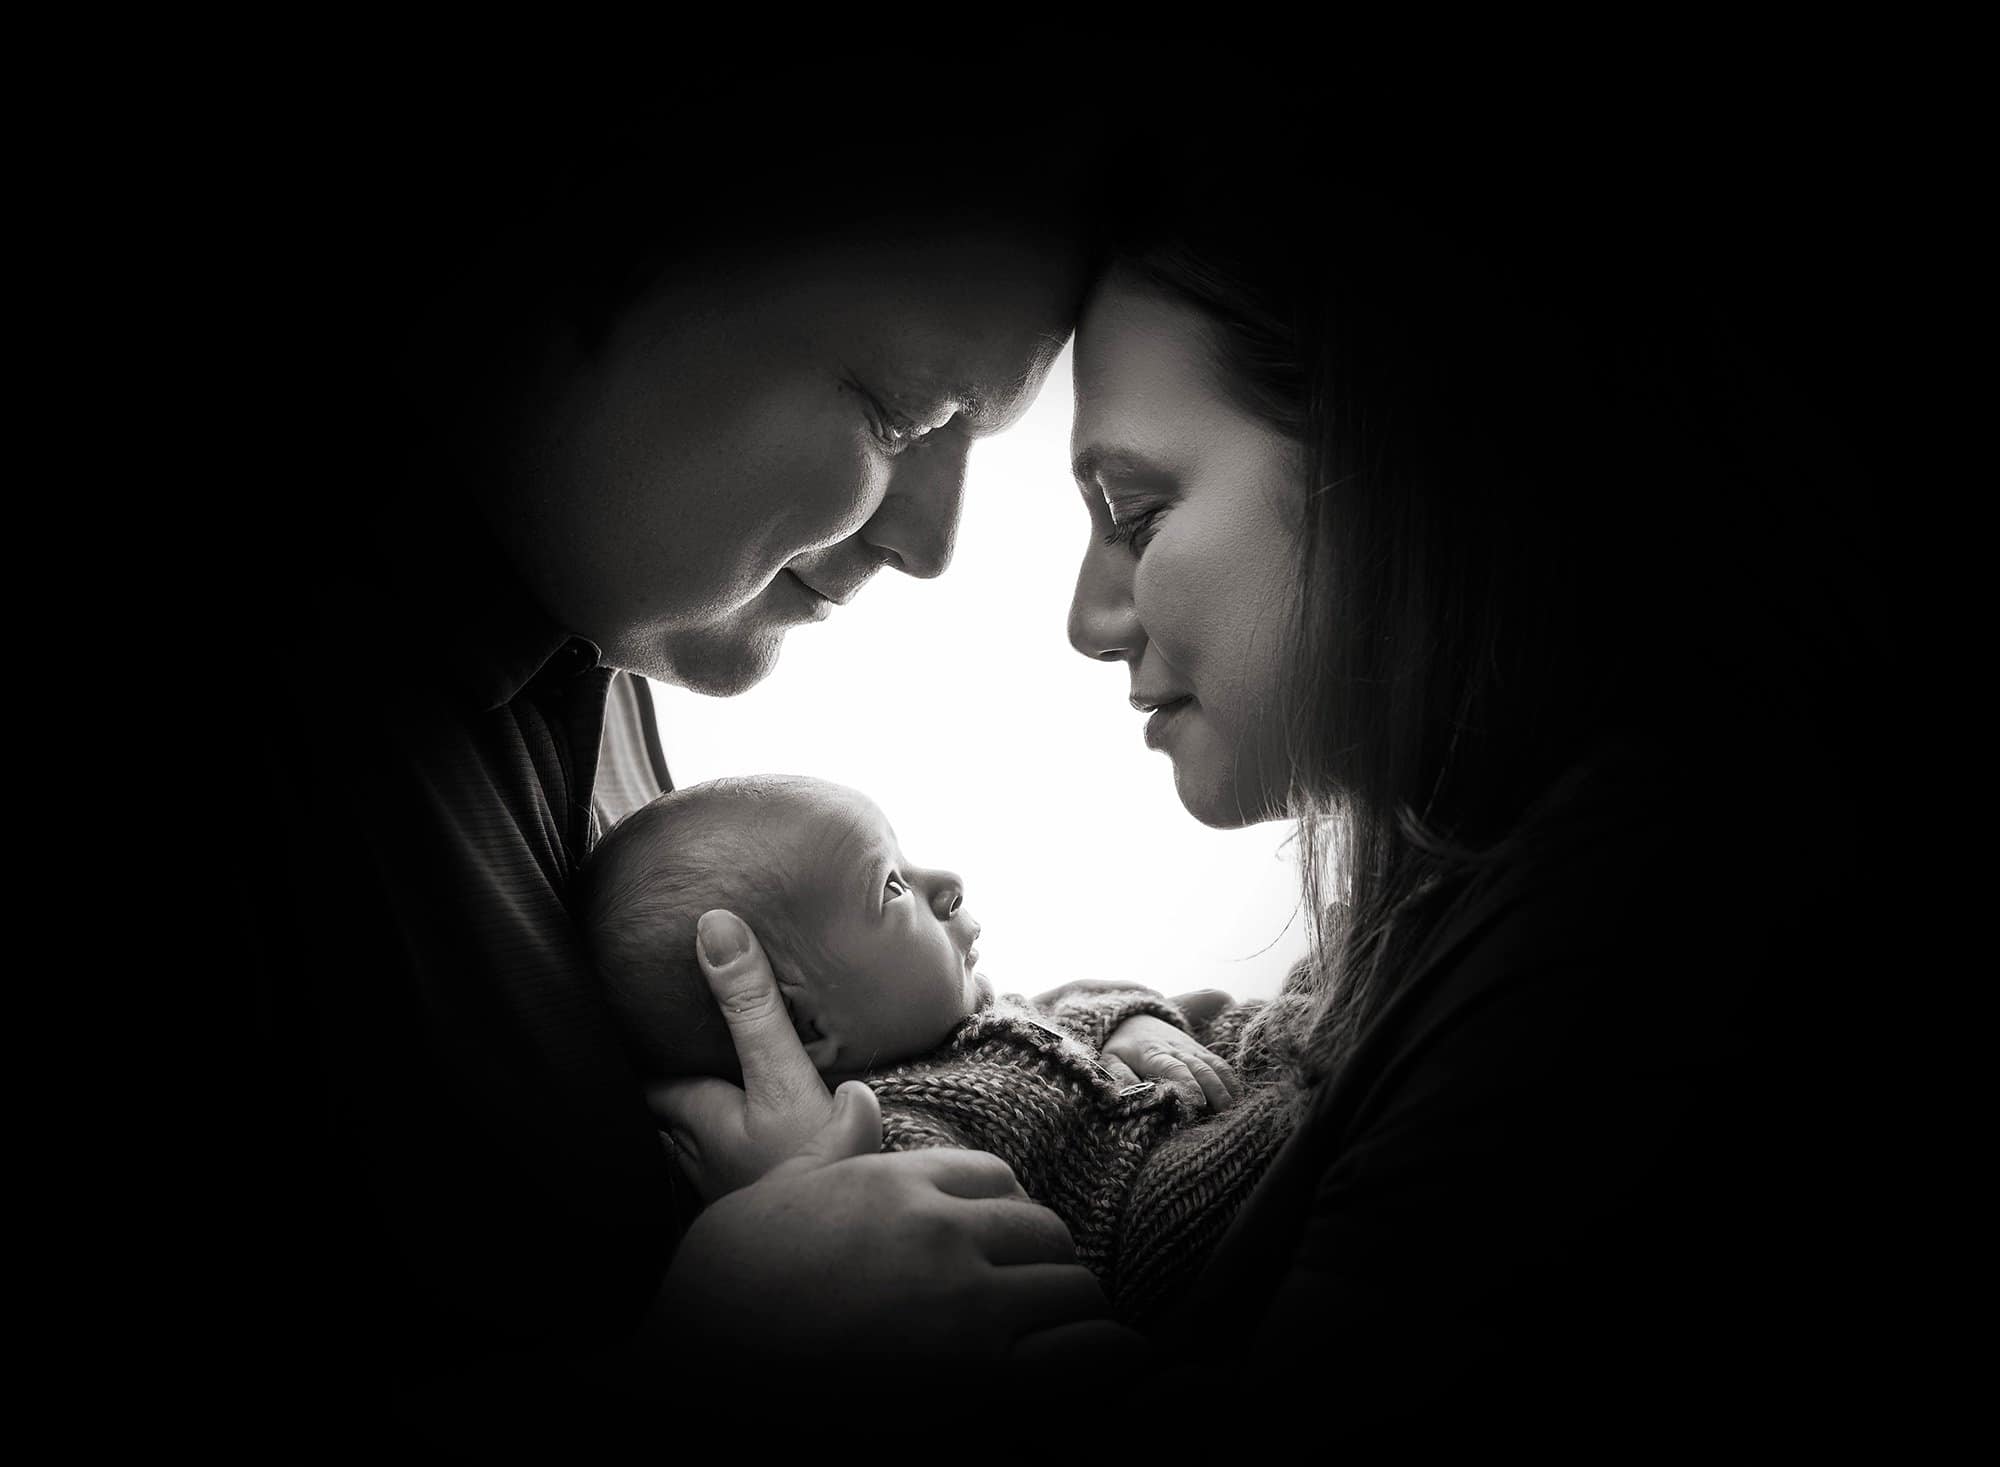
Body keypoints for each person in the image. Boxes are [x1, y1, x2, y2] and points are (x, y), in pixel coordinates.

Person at [697, 119, 1898, 1429]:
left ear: (1403, 465)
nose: (1090, 618)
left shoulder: (1642, 926)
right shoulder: (1452, 919)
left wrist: (759, 1350)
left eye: (1139, 513)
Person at [220, 97, 1147, 1441]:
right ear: (586, 245)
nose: (931, 546)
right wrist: (702, 1378)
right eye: (897, 416)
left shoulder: (586, 675)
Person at [576, 773, 1290, 1324]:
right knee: (1285, 1121)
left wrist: (1127, 1022)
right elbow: (908, 1232)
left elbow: (1063, 1008)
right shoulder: (890, 1126)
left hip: (1205, 1082)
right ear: (807, 1031)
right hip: (1159, 1222)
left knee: (1274, 1023)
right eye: (891, 885)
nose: (945, 882)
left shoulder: (973, 1011)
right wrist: (822, 1169)